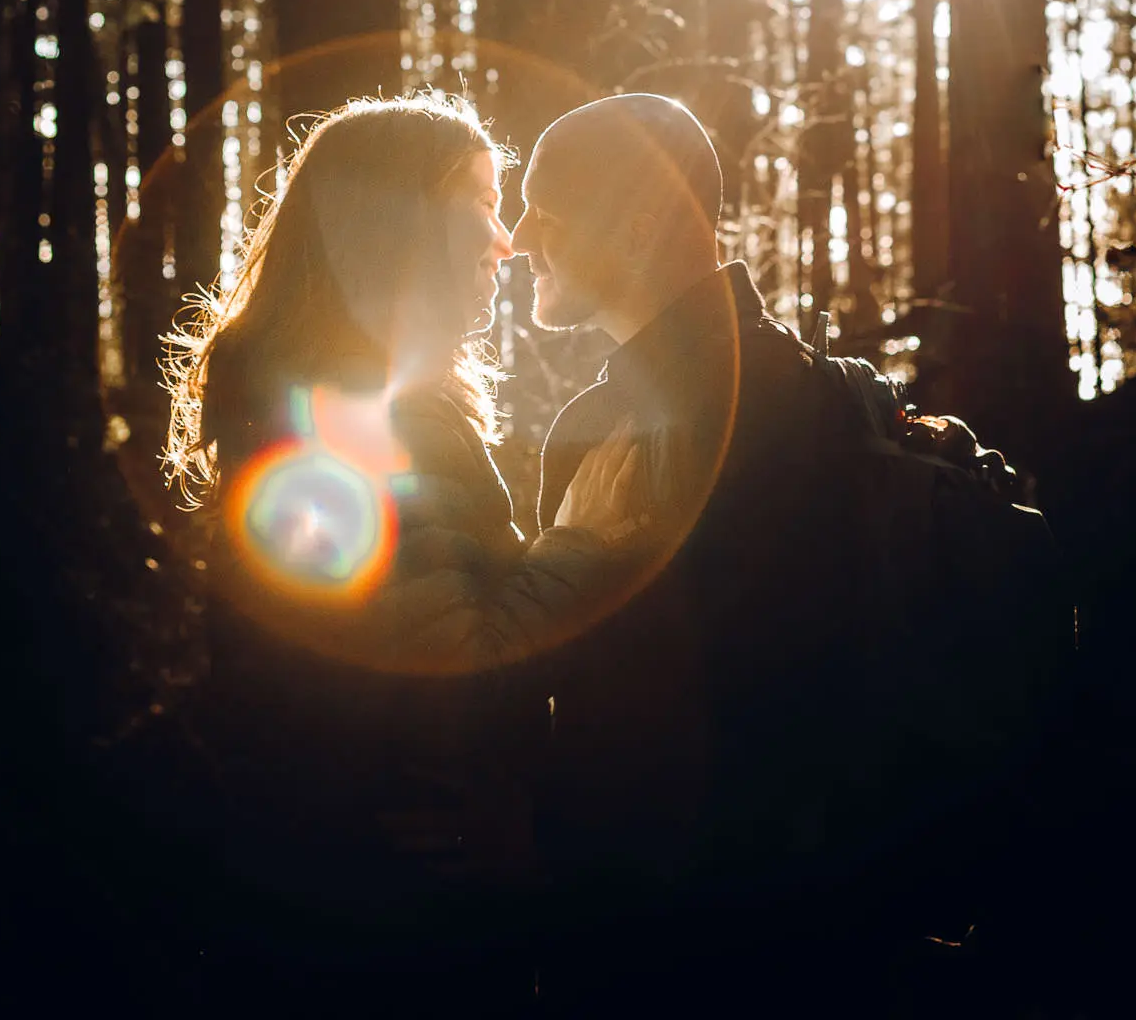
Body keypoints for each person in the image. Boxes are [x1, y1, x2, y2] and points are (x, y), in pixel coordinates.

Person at [160, 92, 640, 1006]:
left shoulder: (333, 405)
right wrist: (582, 539)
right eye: (482, 205)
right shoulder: (348, 430)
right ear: (398, 227)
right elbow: (457, 680)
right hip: (381, 939)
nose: (507, 242)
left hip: (348, 912)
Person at [511, 92, 930, 1002]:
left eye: (542, 208)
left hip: (732, 951)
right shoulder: (602, 417)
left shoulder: (767, 408)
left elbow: (754, 714)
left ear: (640, 221)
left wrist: (540, 846)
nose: (515, 238)